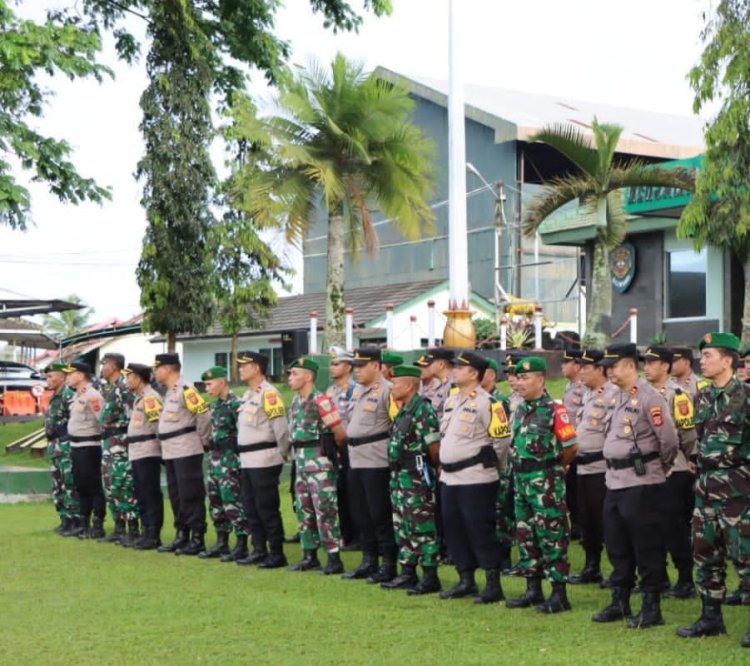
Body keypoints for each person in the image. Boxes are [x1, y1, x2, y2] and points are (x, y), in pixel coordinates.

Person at [592, 343, 678, 629]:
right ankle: (620, 600)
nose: (609, 371)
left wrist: (657, 468)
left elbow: (669, 441)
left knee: (646, 545)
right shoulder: (617, 397)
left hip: (642, 483)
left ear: (629, 366)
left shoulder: (650, 397)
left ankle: (651, 607)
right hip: (615, 482)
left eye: (613, 366)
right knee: (617, 544)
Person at [677, 332, 750, 649]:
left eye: (708, 356)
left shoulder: (746, 398)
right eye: (701, 355)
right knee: (706, 555)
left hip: (738, 493)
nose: (701, 361)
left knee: (746, 559)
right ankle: (711, 618)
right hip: (705, 489)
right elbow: (700, 440)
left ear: (728, 361)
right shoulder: (702, 397)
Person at [506, 356, 577, 613]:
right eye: (518, 378)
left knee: (552, 535)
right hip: (521, 481)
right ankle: (533, 589)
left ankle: (559, 594)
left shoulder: (555, 410)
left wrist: (556, 467)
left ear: (540, 379)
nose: (519, 383)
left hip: (545, 482)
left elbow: (570, 446)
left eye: (525, 378)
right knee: (526, 535)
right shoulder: (521, 409)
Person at [439, 351, 511, 604]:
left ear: (473, 373)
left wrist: (494, 467)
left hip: (477, 477)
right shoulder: (451, 400)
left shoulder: (488, 403)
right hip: (449, 478)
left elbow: (502, 440)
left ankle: (492, 582)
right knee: (454, 528)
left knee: (479, 529)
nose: (454, 370)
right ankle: (465, 579)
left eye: (460, 367)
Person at [641, 345, 698, 598]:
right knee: (650, 526)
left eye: (651, 363)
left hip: (674, 468)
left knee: (674, 527)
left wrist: (683, 459)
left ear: (665, 366)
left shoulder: (678, 394)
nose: (646, 368)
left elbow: (687, 435)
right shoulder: (639, 393)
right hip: (647, 470)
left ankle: (685, 579)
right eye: (645, 363)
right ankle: (658, 577)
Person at [384, 364, 442, 594]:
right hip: (400, 477)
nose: (392, 387)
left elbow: (434, 448)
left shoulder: (423, 410)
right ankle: (408, 571)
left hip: (416, 477)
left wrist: (430, 472)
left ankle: (429, 575)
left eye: (395, 383)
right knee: (403, 525)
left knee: (422, 526)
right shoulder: (404, 410)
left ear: (409, 386)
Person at [342, 348, 398, 583]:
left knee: (379, 513)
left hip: (377, 460)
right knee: (360, 513)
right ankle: (369, 559)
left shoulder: (388, 391)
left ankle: (388, 562)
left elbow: (397, 425)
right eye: (354, 366)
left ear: (375, 366)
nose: (356, 371)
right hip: (356, 459)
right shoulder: (358, 392)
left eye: (361, 366)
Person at [287, 357, 347, 575]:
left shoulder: (321, 400)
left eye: (295, 373)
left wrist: (332, 455)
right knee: (304, 509)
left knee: (325, 509)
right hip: (301, 460)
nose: (290, 378)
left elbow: (339, 433)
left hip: (320, 461)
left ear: (309, 376)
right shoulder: (295, 402)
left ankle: (333, 557)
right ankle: (309, 555)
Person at [234, 351, 290, 569]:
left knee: (266, 507)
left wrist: (282, 453)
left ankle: (276, 552)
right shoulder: (249, 395)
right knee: (250, 507)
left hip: (265, 459)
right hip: (247, 460)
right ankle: (259, 549)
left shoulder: (270, 394)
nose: (240, 369)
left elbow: (281, 429)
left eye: (244, 366)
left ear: (256, 368)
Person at [154, 353, 211, 556]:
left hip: (186, 448)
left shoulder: (186, 389)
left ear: (168, 369)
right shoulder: (171, 391)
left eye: (158, 368)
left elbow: (203, 414)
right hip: (171, 450)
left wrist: (203, 439)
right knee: (176, 495)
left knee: (191, 494)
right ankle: (182, 534)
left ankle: (197, 537)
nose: (155, 372)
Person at [569, 350, 615, 585]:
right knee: (587, 520)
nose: (581, 371)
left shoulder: (613, 395)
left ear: (600, 369)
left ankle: (618, 570)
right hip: (583, 467)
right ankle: (591, 566)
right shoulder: (587, 395)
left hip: (601, 469)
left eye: (586, 367)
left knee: (606, 521)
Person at [198, 366, 250, 563]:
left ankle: (242, 543)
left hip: (230, 461)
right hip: (215, 459)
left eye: (210, 383)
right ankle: (222, 541)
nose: (207, 388)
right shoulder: (216, 406)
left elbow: (242, 433)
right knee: (215, 501)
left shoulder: (236, 404)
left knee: (233, 501)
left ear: (222, 381)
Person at [98, 352, 138, 546]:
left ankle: (133, 528)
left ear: (113, 366)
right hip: (108, 443)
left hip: (121, 444)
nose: (102, 367)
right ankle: (119, 526)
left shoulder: (124, 388)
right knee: (111, 486)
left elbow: (134, 415)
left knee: (124, 485)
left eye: (104, 364)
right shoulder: (111, 388)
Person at [123, 363, 164, 550]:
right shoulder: (139, 398)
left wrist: (162, 450)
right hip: (138, 450)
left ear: (138, 378)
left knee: (149, 493)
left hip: (148, 451)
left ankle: (153, 534)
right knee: (141, 493)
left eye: (129, 377)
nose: (127, 380)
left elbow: (158, 427)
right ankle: (146, 530)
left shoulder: (150, 399)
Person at [63, 361, 106, 539]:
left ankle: (97, 524)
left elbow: (102, 420)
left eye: (70, 373)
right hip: (77, 446)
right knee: (81, 485)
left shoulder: (92, 395)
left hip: (89, 446)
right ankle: (83, 523)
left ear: (81, 375)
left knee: (93, 485)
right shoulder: (78, 395)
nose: (68, 377)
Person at [482, 358, 515, 572]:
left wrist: (498, 465)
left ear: (492, 375)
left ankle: (504, 557)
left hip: (498, 464)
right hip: (483, 464)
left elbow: (502, 439)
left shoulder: (499, 401)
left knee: (502, 511)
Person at [43, 361, 81, 536]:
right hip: (55, 446)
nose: (48, 380)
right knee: (58, 485)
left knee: (69, 484)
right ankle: (64, 519)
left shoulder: (68, 395)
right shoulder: (55, 396)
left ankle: (75, 521)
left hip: (65, 445)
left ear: (62, 376)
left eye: (51, 376)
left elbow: (75, 421)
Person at [326, 347, 358, 549]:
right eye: (332, 363)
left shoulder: (354, 390)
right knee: (338, 491)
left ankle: (356, 535)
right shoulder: (330, 391)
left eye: (337, 364)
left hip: (349, 446)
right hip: (333, 447)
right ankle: (344, 533)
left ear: (348, 367)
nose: (332, 367)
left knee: (351, 492)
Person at [561, 350, 585, 541]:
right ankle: (576, 523)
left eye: (566, 362)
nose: (562, 365)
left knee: (579, 489)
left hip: (579, 445)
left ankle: (580, 524)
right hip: (567, 442)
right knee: (570, 488)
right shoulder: (569, 387)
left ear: (577, 366)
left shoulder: (584, 388)